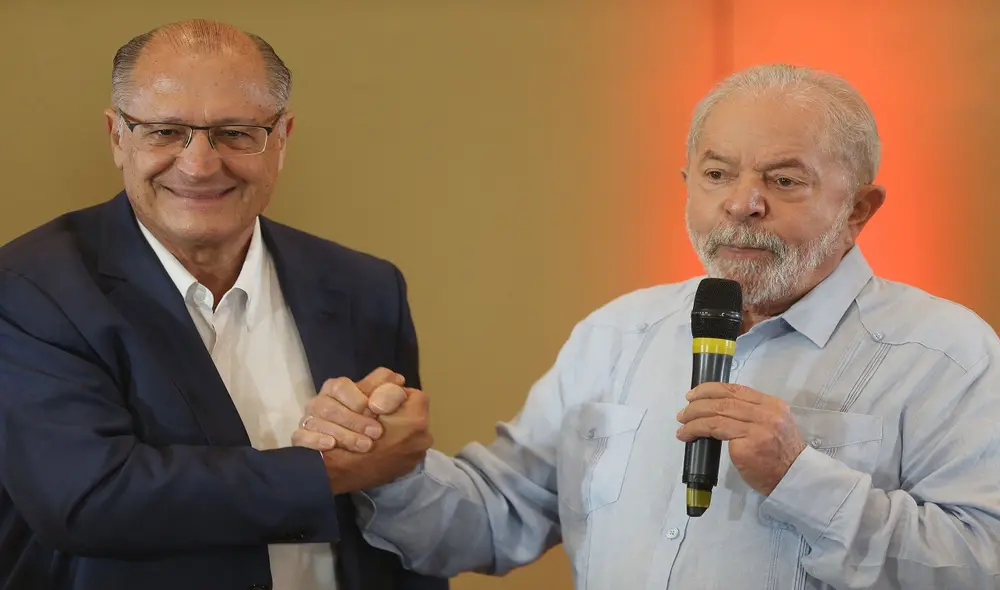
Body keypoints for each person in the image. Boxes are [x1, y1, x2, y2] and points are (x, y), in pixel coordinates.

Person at [292, 64, 1000, 589]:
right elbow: (495, 516)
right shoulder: (618, 333)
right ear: (686, 183)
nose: (743, 205)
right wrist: (390, 468)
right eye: (717, 174)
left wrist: (800, 478)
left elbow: (981, 563)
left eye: (785, 180)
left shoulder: (946, 353)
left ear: (860, 209)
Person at [0, 19, 445, 590]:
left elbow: (396, 507)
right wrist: (327, 470)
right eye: (164, 131)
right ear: (117, 137)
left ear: (281, 139)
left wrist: (389, 455)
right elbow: (89, 498)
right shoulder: (31, 289)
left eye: (235, 133)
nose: (199, 164)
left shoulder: (366, 287)